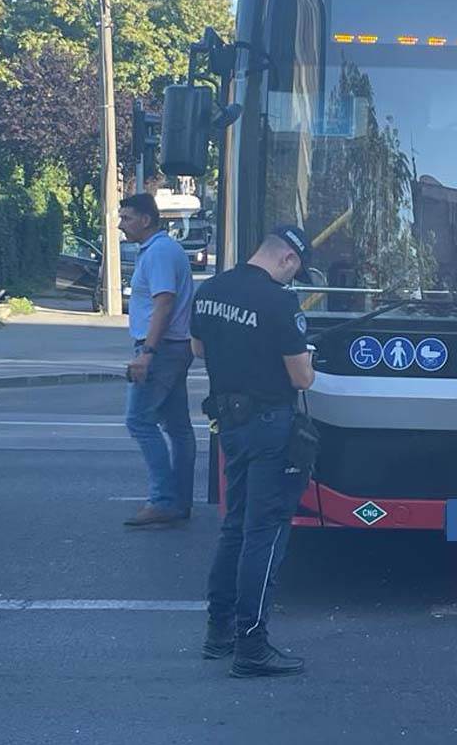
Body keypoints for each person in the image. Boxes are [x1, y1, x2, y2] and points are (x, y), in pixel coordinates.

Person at [191, 225, 316, 678]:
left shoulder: (211, 290)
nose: (293, 278)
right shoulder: (279, 301)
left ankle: (218, 629)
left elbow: (199, 347)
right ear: (286, 259)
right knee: (266, 531)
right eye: (296, 270)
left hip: (230, 423)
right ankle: (252, 645)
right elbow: (302, 379)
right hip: (269, 425)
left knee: (235, 527)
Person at [119, 193, 198, 526]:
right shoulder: (160, 250)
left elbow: (163, 303)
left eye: (126, 218)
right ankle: (179, 500)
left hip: (162, 349)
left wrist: (147, 353)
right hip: (173, 347)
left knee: (139, 420)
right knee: (177, 426)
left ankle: (164, 499)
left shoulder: (160, 253)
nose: (121, 224)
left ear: (146, 220)